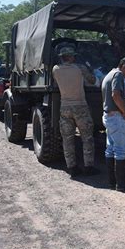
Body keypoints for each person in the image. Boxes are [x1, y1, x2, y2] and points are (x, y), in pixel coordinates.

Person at [52, 46, 98, 178]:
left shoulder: (55, 69)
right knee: (87, 138)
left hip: (65, 107)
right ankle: (88, 166)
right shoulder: (80, 68)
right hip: (80, 106)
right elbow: (93, 80)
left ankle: (72, 167)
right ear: (71, 56)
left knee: (67, 139)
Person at [102, 57, 125, 191]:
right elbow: (116, 95)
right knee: (121, 150)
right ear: (124, 67)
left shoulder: (108, 75)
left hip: (108, 116)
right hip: (116, 117)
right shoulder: (118, 75)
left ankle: (112, 182)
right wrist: (124, 112)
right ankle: (122, 184)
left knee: (110, 149)